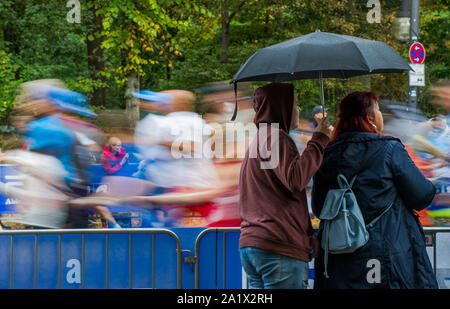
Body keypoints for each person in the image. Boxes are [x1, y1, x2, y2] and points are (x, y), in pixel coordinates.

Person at [311, 91, 438, 289]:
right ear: (369, 117)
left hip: (339, 258)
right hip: (386, 255)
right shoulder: (390, 150)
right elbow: (422, 196)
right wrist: (432, 185)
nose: (381, 115)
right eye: (378, 110)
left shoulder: (328, 154)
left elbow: (319, 208)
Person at [238, 82, 333, 289]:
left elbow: (278, 190)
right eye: (295, 104)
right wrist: (319, 140)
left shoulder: (260, 140)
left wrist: (307, 235)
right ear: (281, 106)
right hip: (278, 247)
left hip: (254, 245)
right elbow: (296, 179)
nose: (298, 110)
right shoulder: (276, 138)